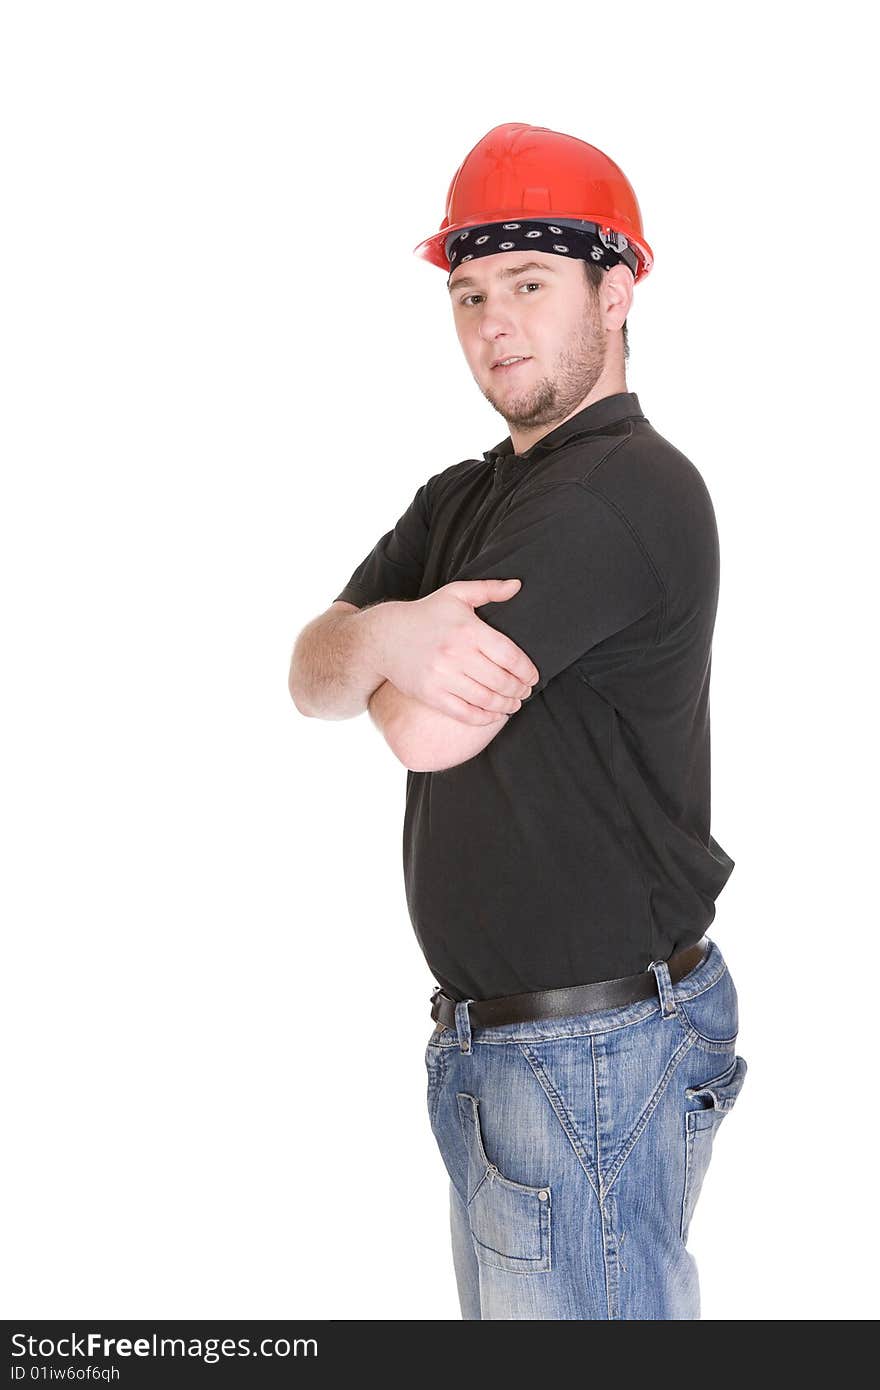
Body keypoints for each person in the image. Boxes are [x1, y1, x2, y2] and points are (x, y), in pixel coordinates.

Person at [288, 122, 747, 1320]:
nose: (493, 323)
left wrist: (382, 650)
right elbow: (311, 670)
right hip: (505, 1050)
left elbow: (418, 734)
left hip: (588, 1056)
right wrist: (394, 637)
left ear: (617, 285)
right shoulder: (465, 497)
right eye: (470, 292)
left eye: (531, 284)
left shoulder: (623, 490)